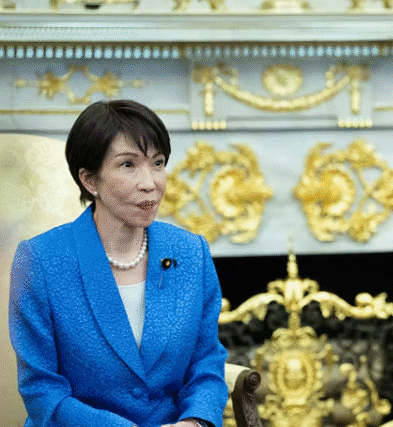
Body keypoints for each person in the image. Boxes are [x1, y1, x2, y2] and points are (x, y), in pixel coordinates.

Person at [8, 100, 229, 427]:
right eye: (129, 165)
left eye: (157, 163)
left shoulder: (190, 252)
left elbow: (206, 364)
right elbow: (42, 390)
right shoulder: (41, 260)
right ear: (89, 180)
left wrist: (194, 422)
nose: (150, 182)